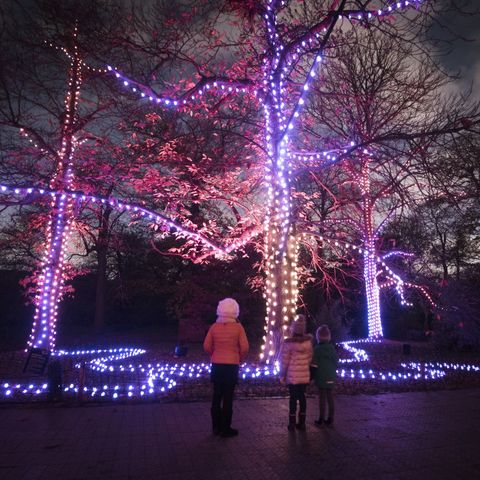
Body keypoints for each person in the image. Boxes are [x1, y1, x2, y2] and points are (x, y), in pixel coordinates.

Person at [203, 297, 249, 437]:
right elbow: (245, 347)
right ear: (235, 311)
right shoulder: (238, 328)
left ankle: (215, 427)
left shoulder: (214, 327)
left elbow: (206, 346)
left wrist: (214, 354)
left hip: (217, 365)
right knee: (228, 398)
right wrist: (239, 357)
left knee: (216, 395)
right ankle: (226, 428)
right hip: (231, 366)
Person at [279, 315, 313, 431]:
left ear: (293, 329)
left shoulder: (288, 343)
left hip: (292, 376)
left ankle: (292, 423)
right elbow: (309, 358)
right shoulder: (308, 342)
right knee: (302, 397)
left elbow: (284, 361)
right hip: (303, 376)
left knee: (293, 398)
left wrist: (282, 374)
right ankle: (302, 422)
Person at [312, 324, 337, 427]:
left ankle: (321, 418)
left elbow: (314, 364)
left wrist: (312, 376)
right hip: (330, 376)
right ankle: (330, 417)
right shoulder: (331, 348)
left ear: (318, 336)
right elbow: (336, 361)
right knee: (330, 397)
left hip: (321, 377)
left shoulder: (317, 349)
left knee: (322, 399)